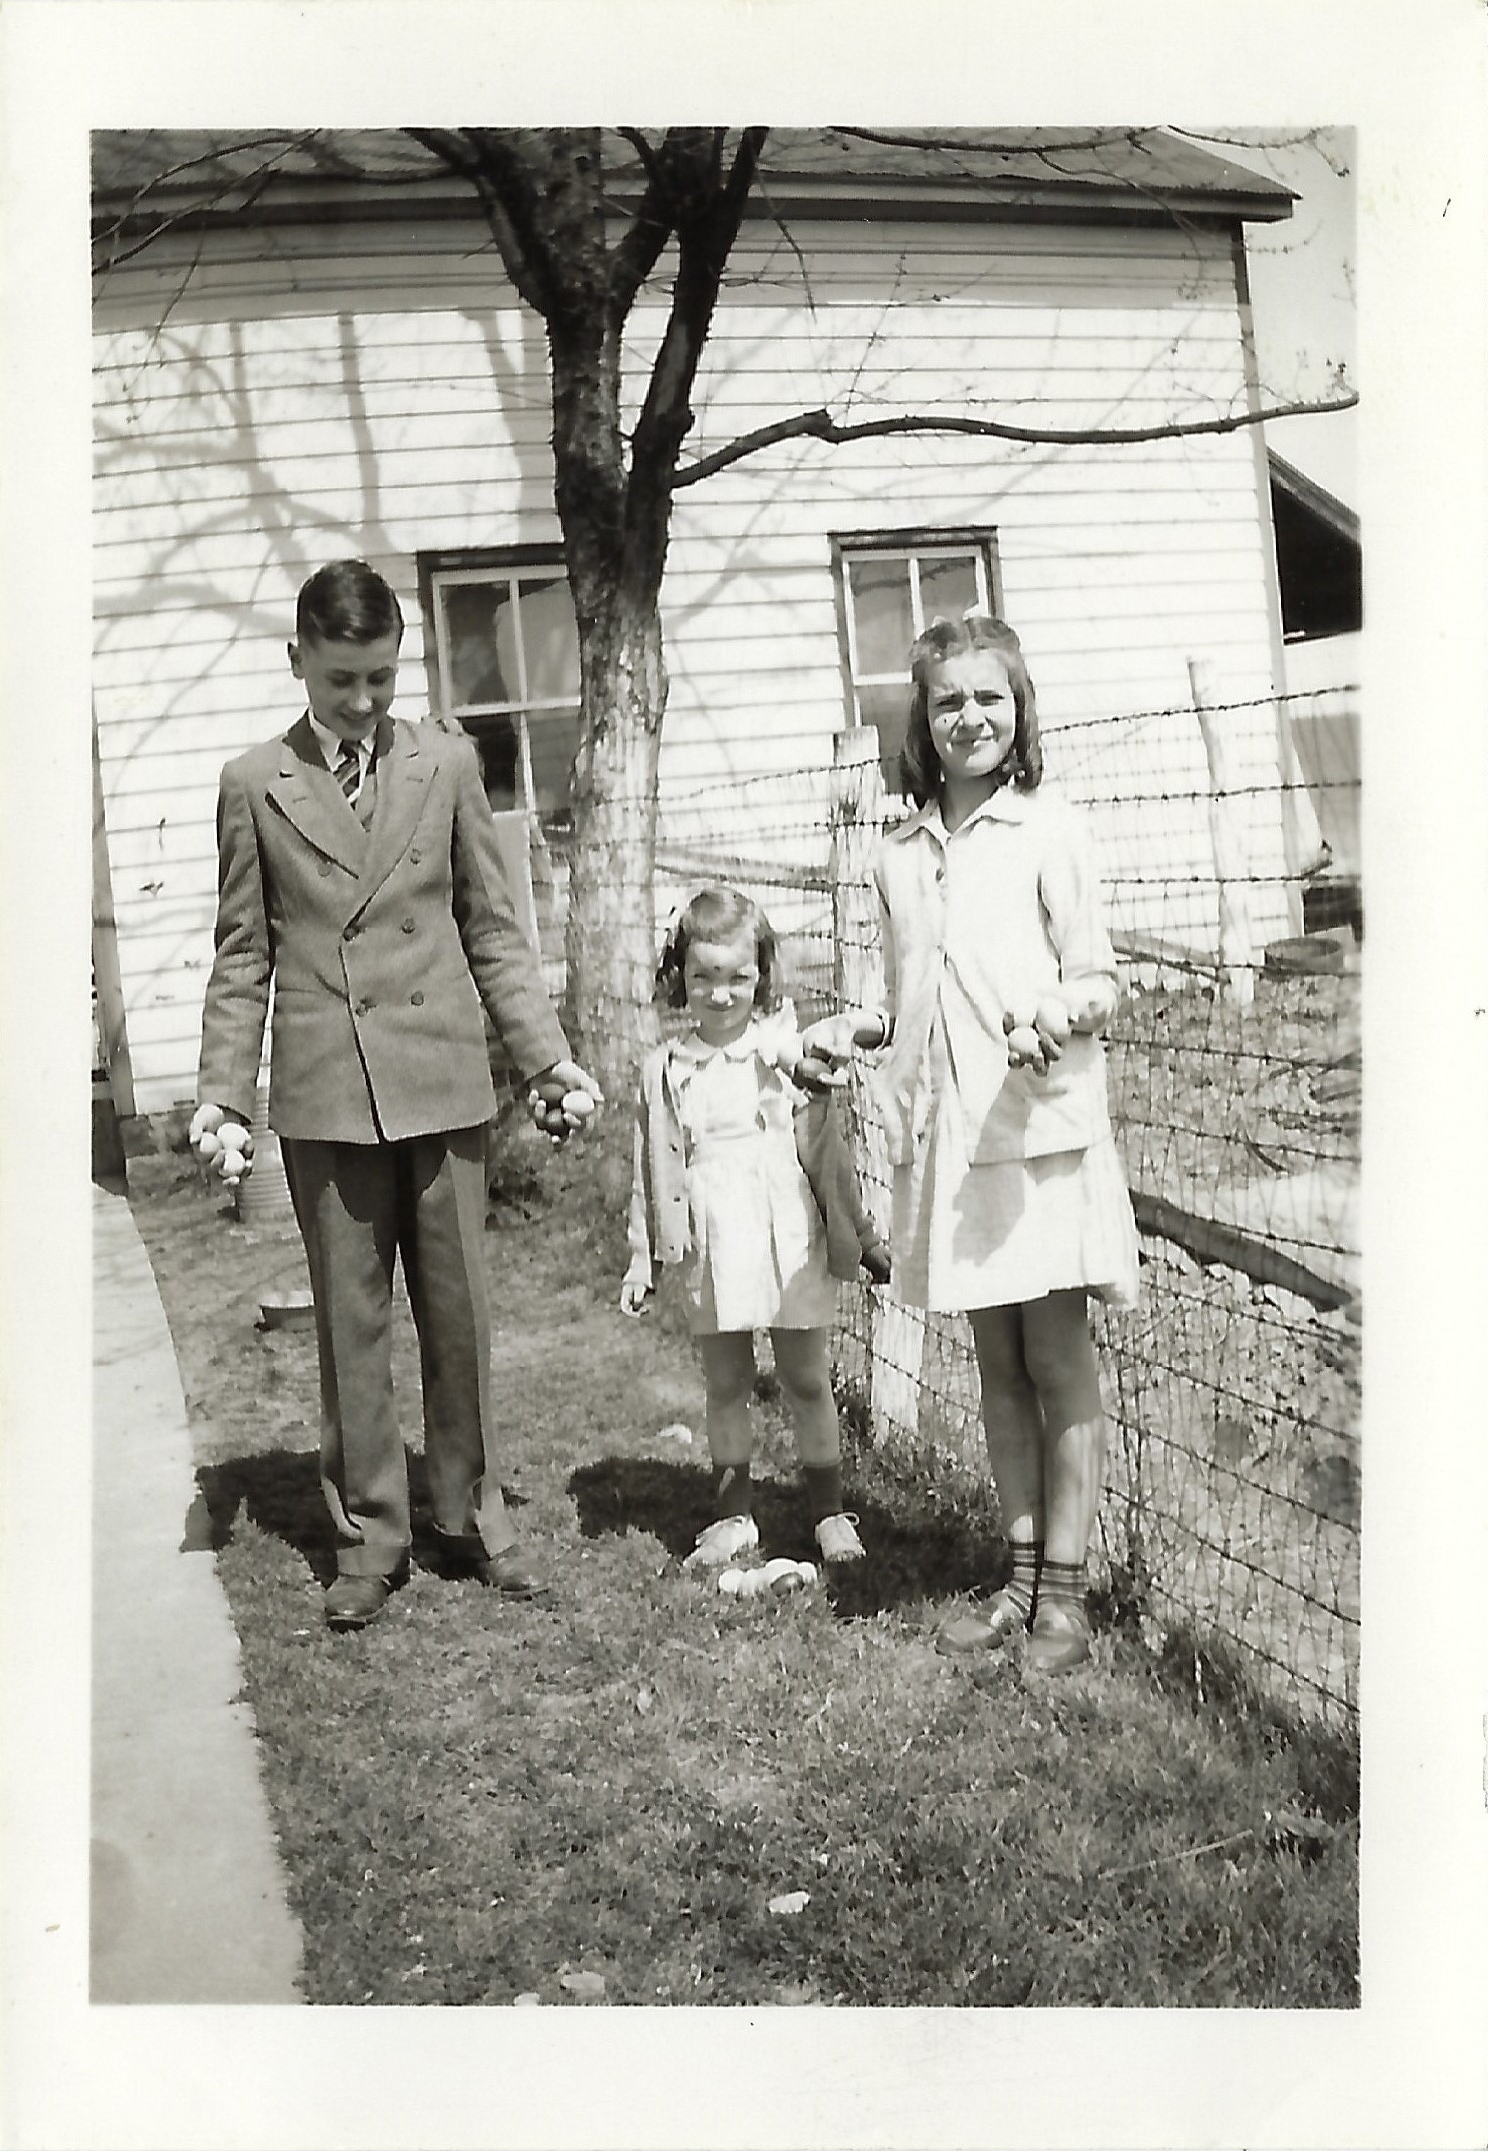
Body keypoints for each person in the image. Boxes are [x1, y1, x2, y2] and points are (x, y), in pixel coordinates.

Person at [190, 559, 602, 1632]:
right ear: (297, 662)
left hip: (444, 1080)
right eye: (341, 681)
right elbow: (242, 953)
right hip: (327, 1092)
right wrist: (222, 1093)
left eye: (381, 677)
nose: (364, 701)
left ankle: (471, 1516)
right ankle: (371, 1535)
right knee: (352, 1326)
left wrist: (545, 1058)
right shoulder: (253, 782)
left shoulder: (447, 762)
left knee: (460, 1316)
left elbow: (493, 929)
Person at [802, 615, 1139, 1672]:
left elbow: (1098, 976)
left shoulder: (1050, 829)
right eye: (948, 700)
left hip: (1039, 1133)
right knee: (999, 1363)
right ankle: (1021, 1578)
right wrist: (851, 1028)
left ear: (1019, 708)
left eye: (989, 697)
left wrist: (1056, 1015)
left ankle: (1067, 1599)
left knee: (1057, 1359)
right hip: (950, 1143)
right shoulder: (900, 854)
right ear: (922, 719)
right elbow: (895, 996)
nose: (970, 717)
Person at [620, 886, 883, 1578]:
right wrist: (642, 1257)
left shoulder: (778, 1048)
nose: (720, 993)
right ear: (679, 975)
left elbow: (824, 1125)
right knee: (727, 1380)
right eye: (703, 976)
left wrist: (858, 1231)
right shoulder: (667, 1070)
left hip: (782, 1235)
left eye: (737, 977)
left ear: (761, 973)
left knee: (805, 1375)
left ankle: (828, 1510)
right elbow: (650, 1170)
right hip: (713, 1242)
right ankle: (733, 1514)